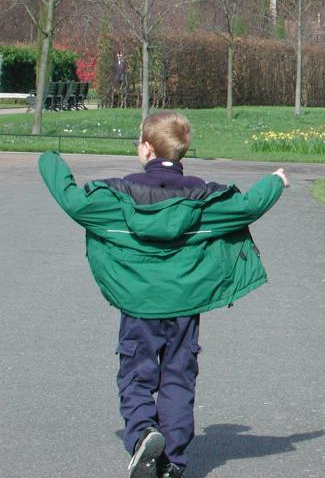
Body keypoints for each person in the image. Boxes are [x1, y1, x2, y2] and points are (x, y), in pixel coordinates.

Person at [38, 111, 289, 478]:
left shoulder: (118, 196)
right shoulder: (205, 199)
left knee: (136, 374)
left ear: (146, 148)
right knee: (179, 376)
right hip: (186, 306)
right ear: (182, 150)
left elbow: (73, 201)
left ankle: (143, 434)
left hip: (139, 305)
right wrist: (275, 182)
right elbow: (248, 207)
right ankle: (173, 461)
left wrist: (50, 159)